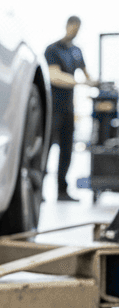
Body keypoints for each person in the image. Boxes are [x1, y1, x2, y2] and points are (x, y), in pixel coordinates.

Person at [45, 16, 97, 201]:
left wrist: (94, 82)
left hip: (69, 107)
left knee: (67, 149)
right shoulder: (52, 49)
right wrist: (81, 82)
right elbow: (55, 76)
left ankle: (62, 190)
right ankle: (39, 191)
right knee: (47, 148)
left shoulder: (76, 51)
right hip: (53, 107)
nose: (74, 31)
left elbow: (86, 73)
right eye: (73, 27)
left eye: (78, 28)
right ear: (67, 26)